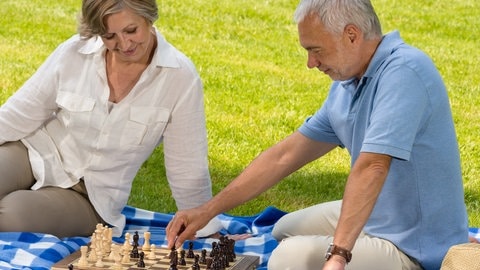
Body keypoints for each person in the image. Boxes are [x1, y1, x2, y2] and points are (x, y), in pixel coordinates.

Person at [166, 0, 469, 269]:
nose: (311, 63)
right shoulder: (348, 83)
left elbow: (373, 166)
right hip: (377, 214)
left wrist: (338, 254)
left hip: (416, 245)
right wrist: (206, 211)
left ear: (352, 35)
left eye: (315, 49)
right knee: (283, 228)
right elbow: (284, 157)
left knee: (288, 257)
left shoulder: (405, 72)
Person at [0, 0, 221, 238]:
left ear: (148, 18)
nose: (124, 44)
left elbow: (186, 167)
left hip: (90, 197)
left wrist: (206, 229)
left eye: (131, 30)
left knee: (11, 216)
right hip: (35, 152)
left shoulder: (180, 78)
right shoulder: (74, 53)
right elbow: (18, 114)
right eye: (109, 36)